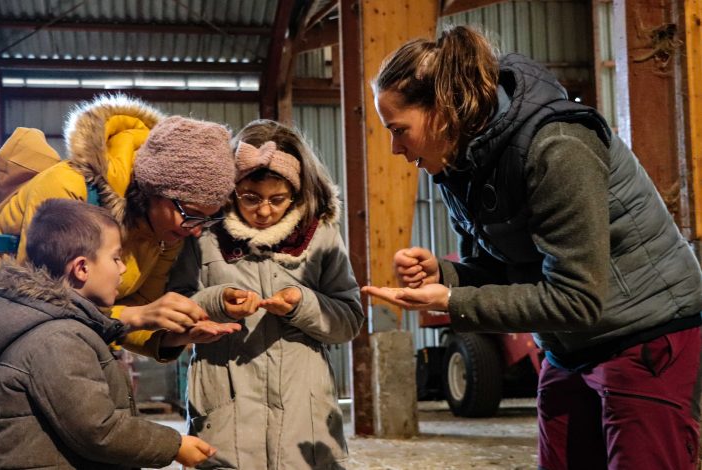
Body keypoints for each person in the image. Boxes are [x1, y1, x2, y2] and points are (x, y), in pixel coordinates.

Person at [364, 25, 702, 469]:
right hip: (569, 347)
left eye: (399, 129)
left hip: (644, 336)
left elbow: (577, 298)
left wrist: (452, 298)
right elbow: (505, 268)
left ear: (443, 110)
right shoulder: (460, 163)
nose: (394, 148)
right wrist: (444, 276)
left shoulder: (557, 146)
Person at [0, 95, 240, 469]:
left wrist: (171, 335)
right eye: (190, 215)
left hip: (54, 351)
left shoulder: (165, 232)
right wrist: (141, 315)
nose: (193, 231)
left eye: (206, 221)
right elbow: (42, 301)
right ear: (154, 188)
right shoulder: (67, 188)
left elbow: (133, 309)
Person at [169, 119, 364, 470]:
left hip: (305, 421)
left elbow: (348, 320)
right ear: (230, 189)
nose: (263, 211)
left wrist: (301, 304)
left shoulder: (321, 236)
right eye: (250, 198)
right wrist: (216, 302)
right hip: (224, 419)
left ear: (297, 192)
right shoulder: (202, 236)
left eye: (277, 200)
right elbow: (173, 309)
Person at [0, 198, 218, 469]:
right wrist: (174, 445)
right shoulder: (56, 340)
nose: (122, 269)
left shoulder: (61, 328)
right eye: (116, 258)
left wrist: (172, 338)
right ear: (82, 268)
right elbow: (97, 430)